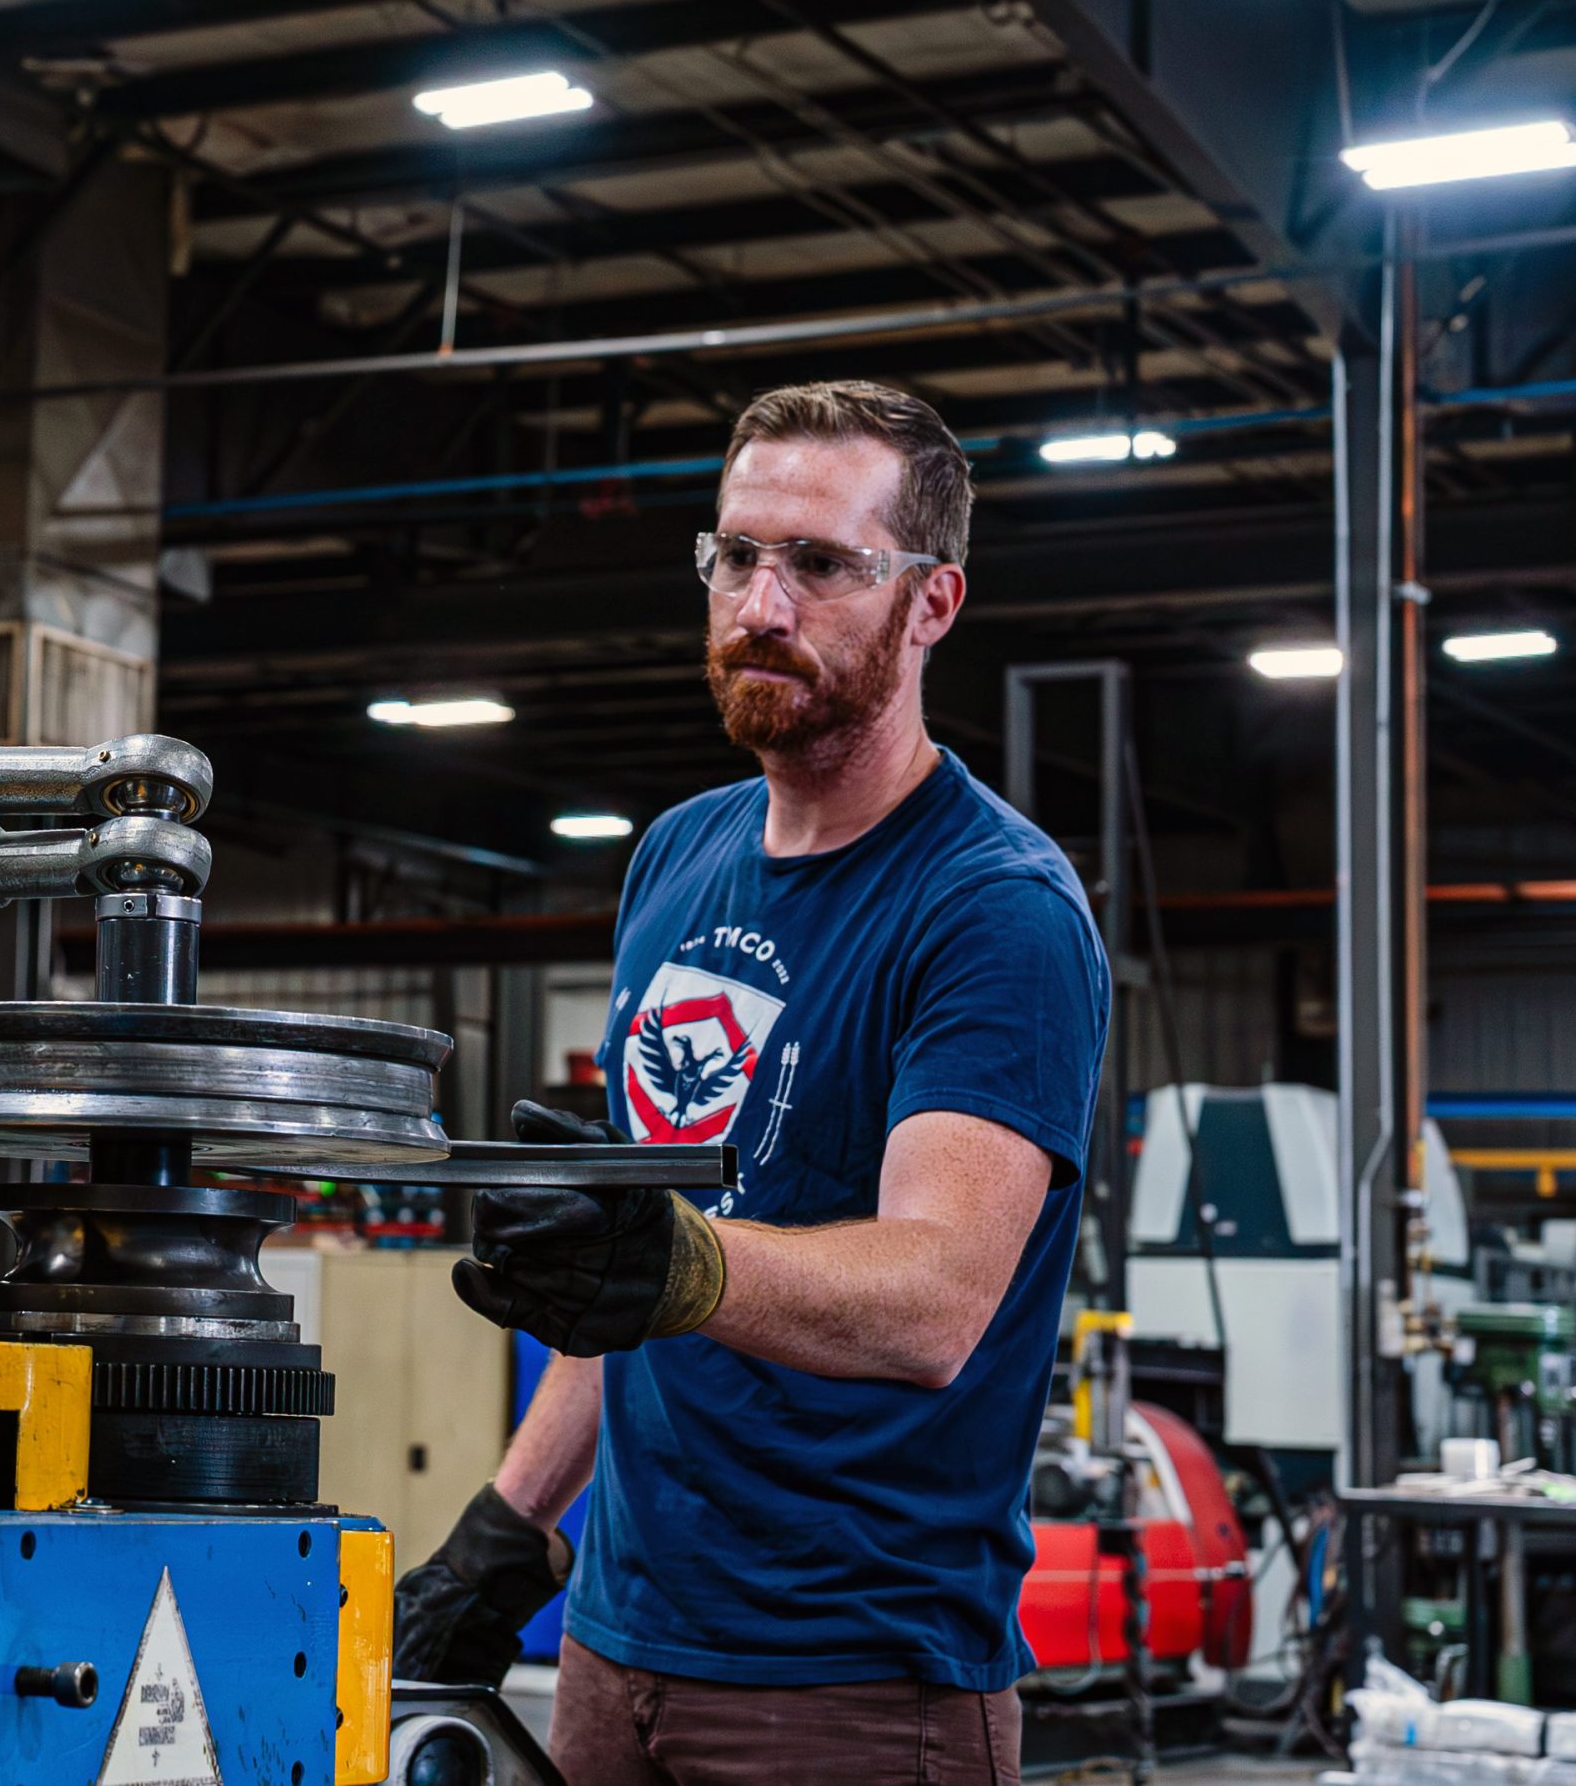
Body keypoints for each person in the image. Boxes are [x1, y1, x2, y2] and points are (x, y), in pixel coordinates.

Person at [392, 381, 1109, 1786]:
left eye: (824, 565)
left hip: (848, 1680)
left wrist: (679, 1269)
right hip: (611, 1648)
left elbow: (936, 1297)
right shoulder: (678, 858)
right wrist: (507, 1532)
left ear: (933, 603)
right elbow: (638, 1270)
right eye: (735, 556)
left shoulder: (993, 908)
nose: (762, 605)